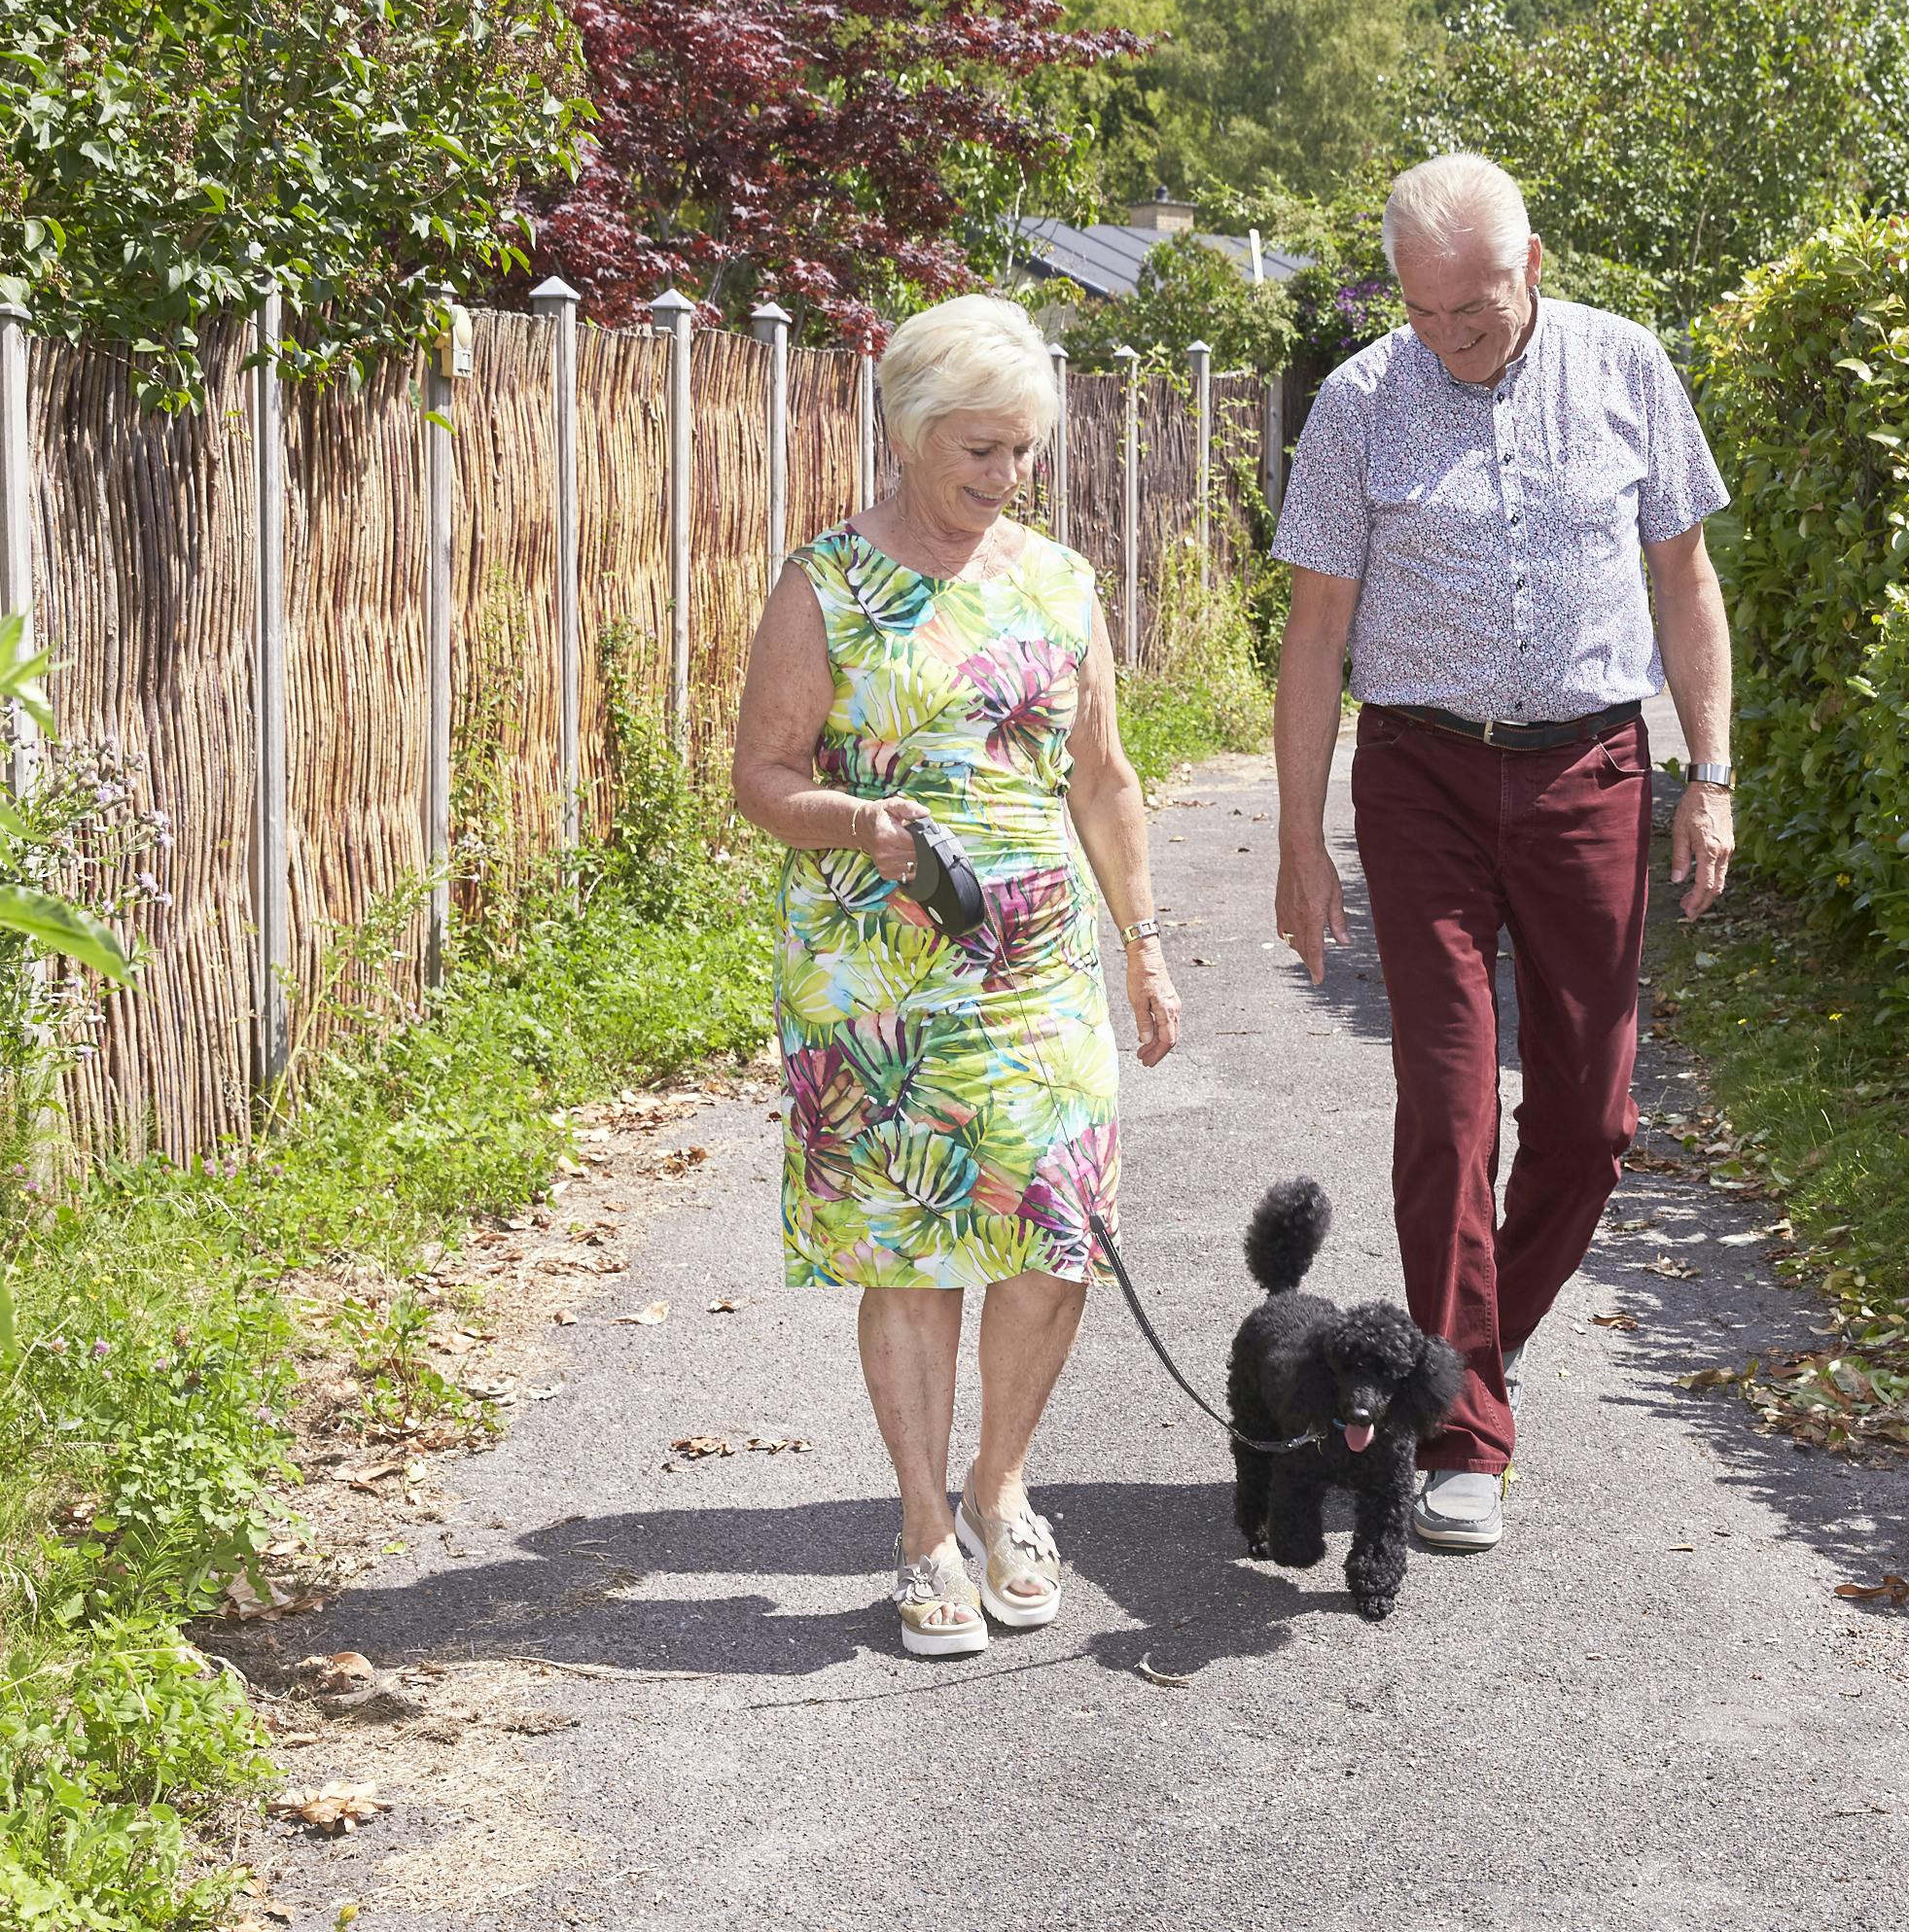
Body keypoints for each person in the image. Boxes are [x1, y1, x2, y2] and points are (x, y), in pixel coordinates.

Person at [1268, 154, 1737, 1552]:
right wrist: (1302, 843)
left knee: (1592, 1125)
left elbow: (1687, 583)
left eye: (1472, 311)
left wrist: (1710, 775)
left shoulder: (1628, 366)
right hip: (1418, 772)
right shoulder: (1361, 402)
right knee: (1450, 1109)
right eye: (1424, 316)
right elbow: (1311, 637)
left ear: (1534, 264)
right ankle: (1465, 1436)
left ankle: (1463, 1356)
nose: (1450, 341)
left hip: (1593, 764)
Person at [731, 294, 1183, 1658]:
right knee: (914, 1244)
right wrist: (859, 825)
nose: (1005, 478)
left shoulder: (1056, 582)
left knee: (1056, 1228)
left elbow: (1103, 781)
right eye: (979, 450)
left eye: (1026, 451)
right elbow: (760, 778)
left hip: (1037, 967)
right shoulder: (827, 582)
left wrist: (1146, 949)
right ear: (909, 433)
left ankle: (1003, 1482)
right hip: (876, 974)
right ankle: (926, 1524)